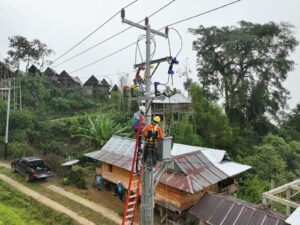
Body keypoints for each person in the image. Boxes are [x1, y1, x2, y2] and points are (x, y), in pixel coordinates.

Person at [132, 106, 145, 174]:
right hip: (136, 127)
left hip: (137, 126)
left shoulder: (139, 114)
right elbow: (139, 119)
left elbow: (142, 121)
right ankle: (139, 146)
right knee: (140, 133)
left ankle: (139, 145)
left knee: (141, 133)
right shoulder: (137, 114)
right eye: (143, 113)